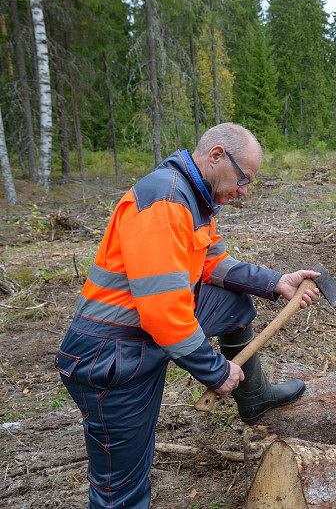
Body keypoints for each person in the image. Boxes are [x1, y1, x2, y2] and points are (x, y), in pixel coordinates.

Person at [55, 123, 320, 508]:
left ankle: (255, 397)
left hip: (137, 338)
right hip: (110, 359)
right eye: (243, 178)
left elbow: (215, 264)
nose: (244, 190)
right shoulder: (166, 200)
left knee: (233, 303)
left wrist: (276, 281)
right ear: (216, 156)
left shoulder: (197, 199)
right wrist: (215, 369)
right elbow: (164, 312)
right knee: (122, 492)